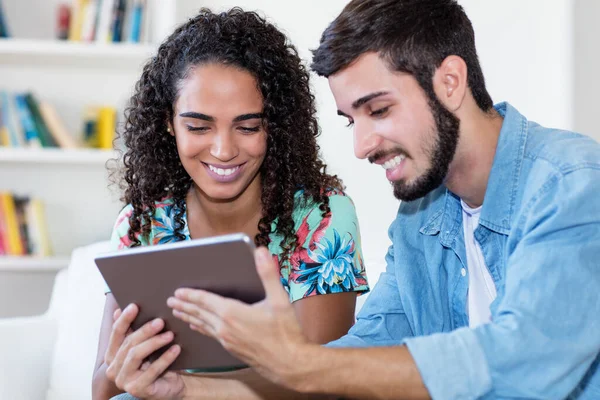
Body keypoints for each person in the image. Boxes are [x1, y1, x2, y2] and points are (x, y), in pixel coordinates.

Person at [164, 0, 600, 399]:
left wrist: (300, 362)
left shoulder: (572, 185)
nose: (362, 145)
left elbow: (522, 361)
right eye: (351, 119)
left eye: (378, 110)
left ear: (450, 81)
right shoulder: (420, 214)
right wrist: (182, 390)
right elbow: (367, 347)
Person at [91, 8, 370, 400]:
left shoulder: (321, 218)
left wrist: (185, 387)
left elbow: (324, 383)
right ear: (168, 123)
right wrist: (122, 370)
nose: (223, 151)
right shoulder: (143, 222)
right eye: (198, 126)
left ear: (275, 126)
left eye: (248, 127)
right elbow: (102, 390)